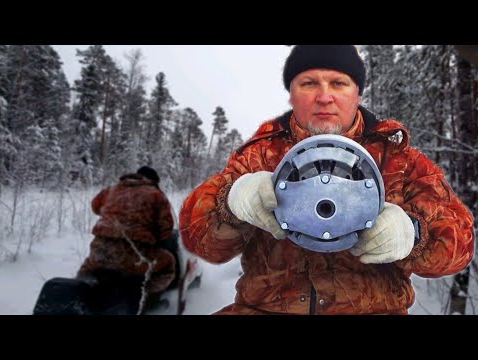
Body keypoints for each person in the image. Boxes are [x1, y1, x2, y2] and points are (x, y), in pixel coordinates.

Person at [179, 45, 475, 315]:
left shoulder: (399, 160)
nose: (324, 97)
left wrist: (413, 234)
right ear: (292, 93)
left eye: (338, 83)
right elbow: (199, 239)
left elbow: (460, 244)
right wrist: (231, 202)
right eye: (309, 83)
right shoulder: (260, 156)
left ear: (357, 93)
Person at [77, 166, 176, 314]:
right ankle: (145, 298)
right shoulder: (156, 195)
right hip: (134, 256)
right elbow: (166, 230)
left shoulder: (111, 189)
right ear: (154, 181)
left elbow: (95, 206)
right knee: (168, 264)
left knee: (86, 271)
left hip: (100, 251)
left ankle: (81, 296)